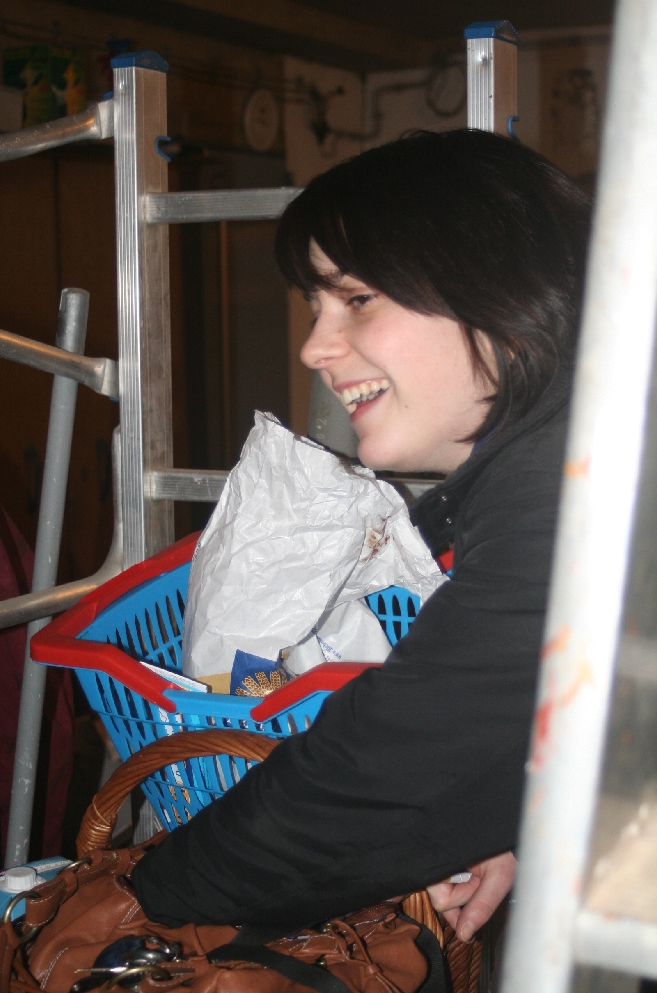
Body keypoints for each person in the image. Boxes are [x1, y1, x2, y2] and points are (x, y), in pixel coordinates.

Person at [131, 129, 591, 945]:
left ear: (501, 291)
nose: (314, 347)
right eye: (317, 307)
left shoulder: (564, 496)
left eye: (358, 299)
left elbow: (377, 770)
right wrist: (508, 814)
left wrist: (145, 899)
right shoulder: (578, 448)